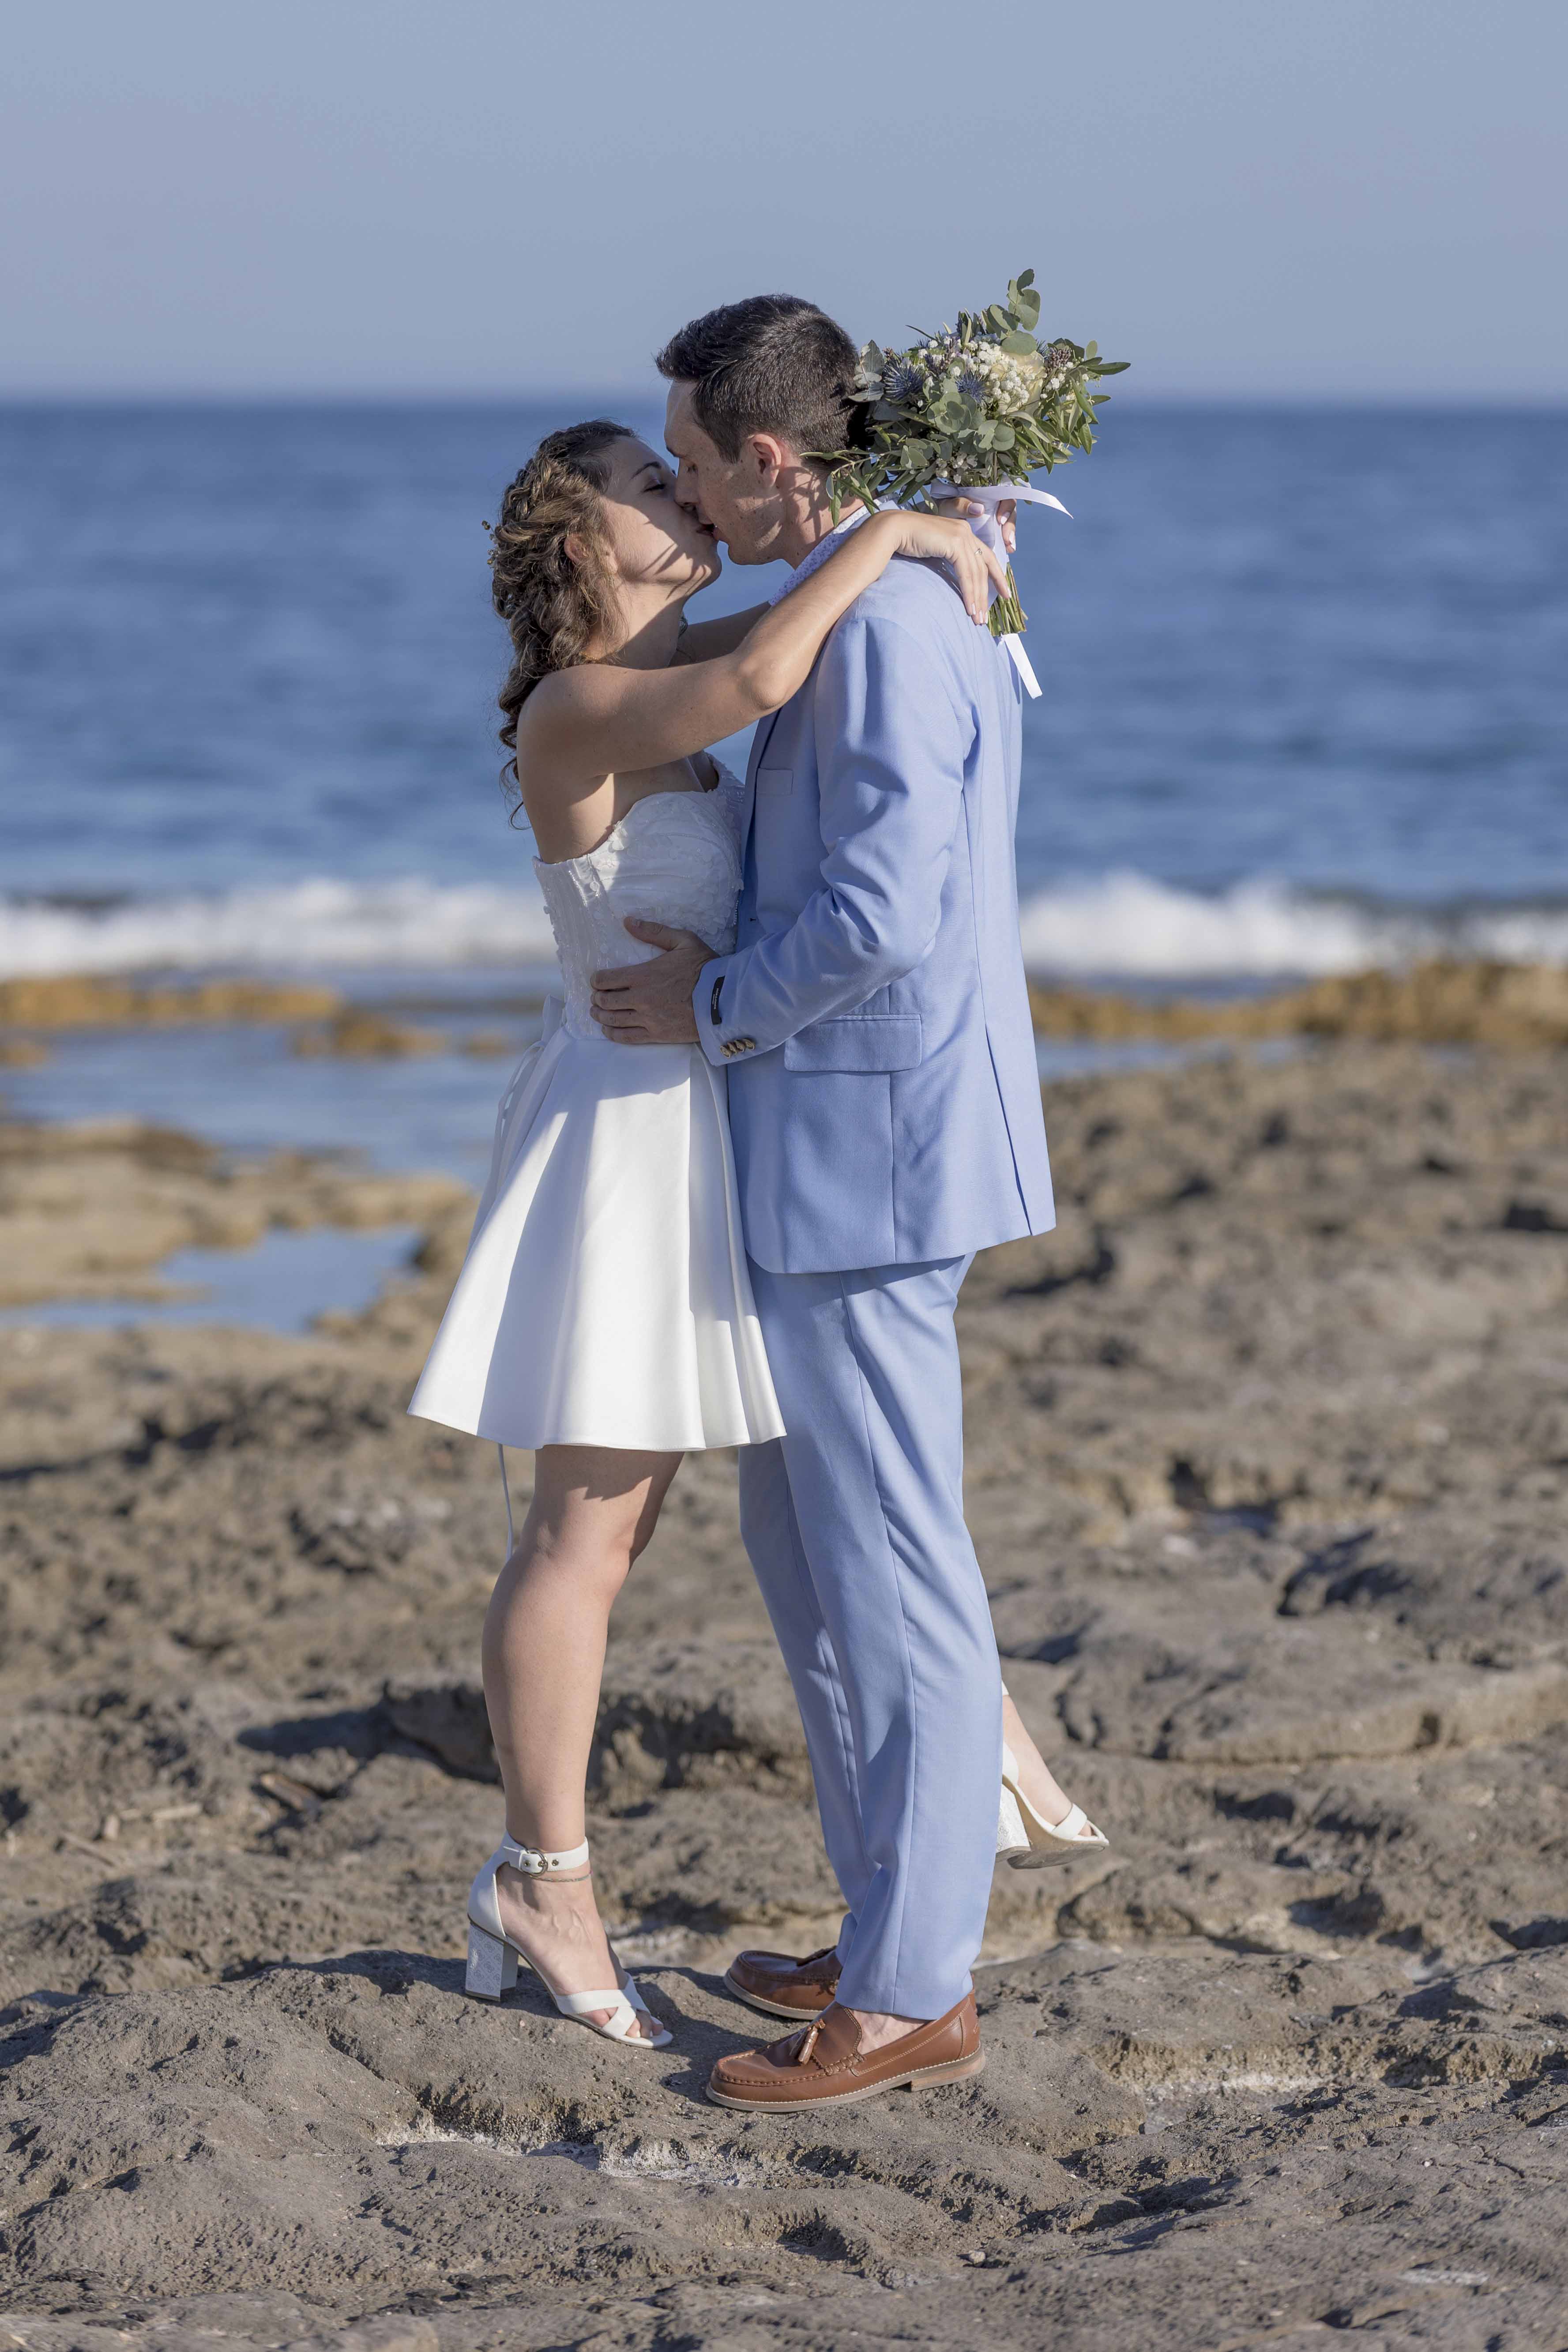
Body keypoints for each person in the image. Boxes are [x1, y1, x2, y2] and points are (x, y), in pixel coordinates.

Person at [408, 415, 1037, 2049]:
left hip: (711, 1130)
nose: (684, 501)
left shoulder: (685, 652)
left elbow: (814, 665)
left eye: (688, 474)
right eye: (645, 485)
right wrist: (890, 533)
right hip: (621, 1141)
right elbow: (772, 678)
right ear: (574, 543)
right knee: (588, 1534)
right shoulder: (575, 708)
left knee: (735, 1533)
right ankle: (543, 1876)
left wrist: (940, 541)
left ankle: (865, 1900)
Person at [585, 295, 1107, 2109]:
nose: (696, 497)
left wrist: (708, 1006)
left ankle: (912, 1991)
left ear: (772, 459)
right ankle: (890, 1908)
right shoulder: (878, 589)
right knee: (809, 1557)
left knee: (896, 1568)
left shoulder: (890, 625)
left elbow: (883, 910)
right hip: (832, 1148)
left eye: (702, 463)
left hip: (873, 1151)